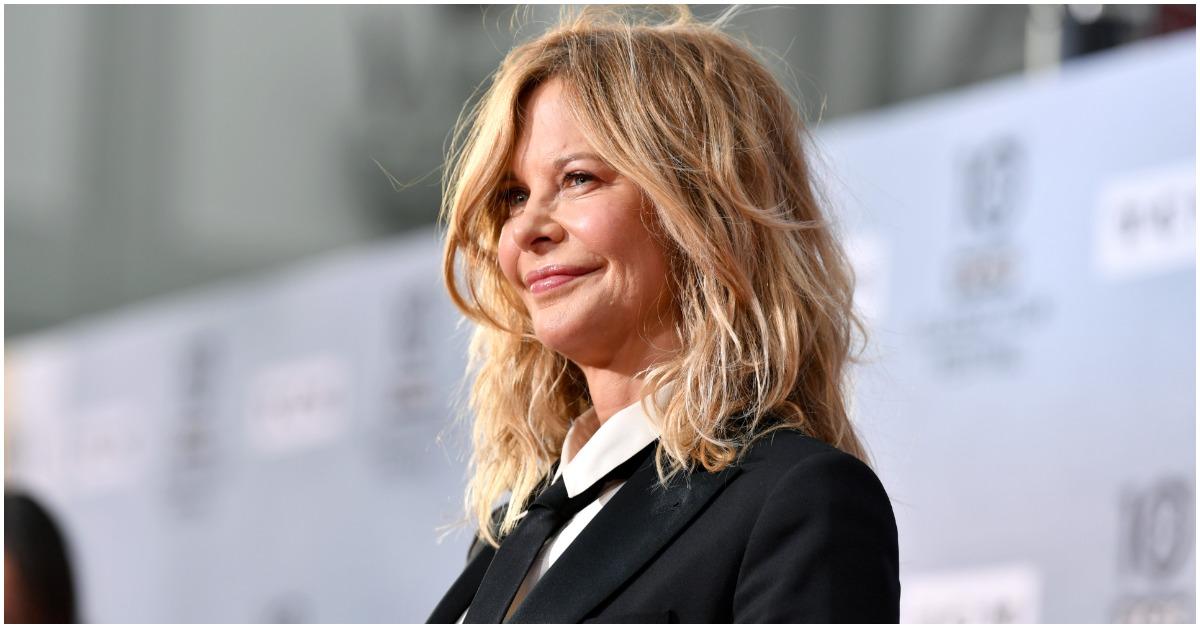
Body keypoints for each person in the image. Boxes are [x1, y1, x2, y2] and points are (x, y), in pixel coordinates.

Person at [428, 7, 899, 624]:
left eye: (577, 179)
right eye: (514, 196)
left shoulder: (797, 499)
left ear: (704, 211)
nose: (528, 229)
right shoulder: (510, 531)